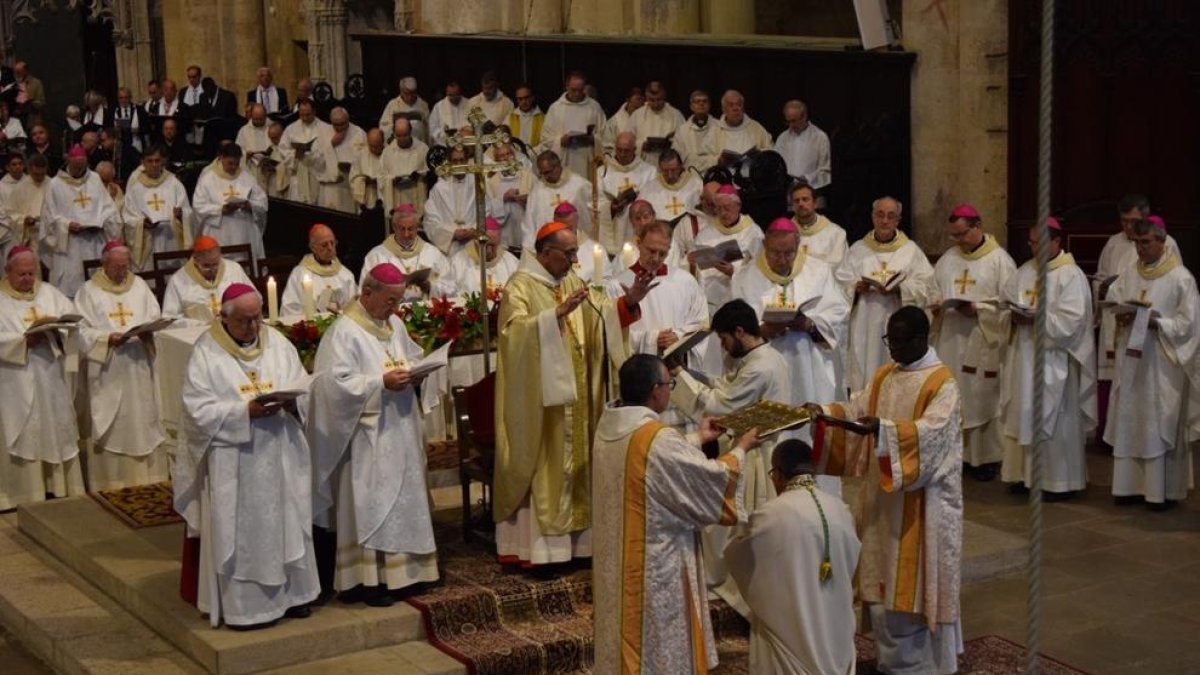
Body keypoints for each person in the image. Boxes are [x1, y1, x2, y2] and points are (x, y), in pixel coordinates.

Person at [805, 306, 963, 675]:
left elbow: (933, 436)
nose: (891, 348)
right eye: (888, 339)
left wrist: (884, 431)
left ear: (922, 340)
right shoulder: (885, 376)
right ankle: (892, 661)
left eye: (898, 341)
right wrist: (825, 410)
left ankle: (921, 666)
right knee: (881, 582)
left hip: (922, 503)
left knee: (912, 587)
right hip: (883, 497)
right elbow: (856, 407)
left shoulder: (943, 385)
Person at [493, 220, 653, 568]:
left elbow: (601, 316)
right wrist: (553, 317)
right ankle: (541, 551)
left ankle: (577, 546)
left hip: (580, 398)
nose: (573, 260)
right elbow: (511, 338)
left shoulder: (572, 281)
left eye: (574, 253)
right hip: (542, 403)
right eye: (567, 254)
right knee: (546, 460)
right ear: (545, 253)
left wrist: (629, 302)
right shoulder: (518, 288)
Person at [591, 353, 757, 674]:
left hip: (616, 559)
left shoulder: (610, 425)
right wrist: (741, 450)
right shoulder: (656, 438)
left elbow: (653, 460)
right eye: (669, 384)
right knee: (657, 650)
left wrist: (699, 438)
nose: (670, 390)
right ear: (656, 391)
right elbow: (709, 480)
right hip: (654, 564)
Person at [173, 283, 318, 629]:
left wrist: (294, 401)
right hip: (235, 461)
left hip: (279, 449)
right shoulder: (207, 353)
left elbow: (302, 384)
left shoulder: (278, 344)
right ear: (224, 318)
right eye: (245, 321)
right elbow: (196, 411)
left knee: (286, 521)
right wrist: (244, 412)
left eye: (258, 319)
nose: (254, 328)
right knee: (245, 532)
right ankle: (248, 609)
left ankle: (295, 596)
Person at [309, 263, 440, 607]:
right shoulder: (343, 332)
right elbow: (331, 385)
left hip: (400, 428)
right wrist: (378, 383)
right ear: (367, 293)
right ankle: (371, 579)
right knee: (373, 503)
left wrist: (419, 372)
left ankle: (409, 572)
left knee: (405, 498)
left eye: (398, 300)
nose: (395, 308)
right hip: (368, 436)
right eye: (390, 300)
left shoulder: (393, 324)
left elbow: (408, 356)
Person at [666, 299, 792, 612]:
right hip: (749, 449)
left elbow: (720, 405)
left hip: (754, 454)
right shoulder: (760, 357)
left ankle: (733, 588)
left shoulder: (761, 366)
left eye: (724, 340)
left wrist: (679, 375)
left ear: (739, 331)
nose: (723, 347)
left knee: (735, 525)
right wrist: (689, 371)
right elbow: (723, 385)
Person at [725, 439, 861, 675]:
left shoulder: (771, 514)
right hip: (835, 633)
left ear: (778, 473)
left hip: (792, 632)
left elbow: (739, 556)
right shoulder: (841, 509)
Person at [1103, 217, 1199, 510]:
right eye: (1136, 243)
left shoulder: (1181, 278)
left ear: (1162, 241)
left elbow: (1189, 325)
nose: (1140, 249)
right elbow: (1114, 301)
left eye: (1146, 243)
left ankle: (1160, 492)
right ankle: (1127, 487)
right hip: (1132, 362)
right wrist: (1119, 314)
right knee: (1129, 420)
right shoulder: (1129, 274)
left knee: (1158, 423)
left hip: (1161, 363)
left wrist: (1157, 322)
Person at [1000, 218, 1096, 499]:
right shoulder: (1024, 271)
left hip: (1054, 360)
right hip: (1023, 357)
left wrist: (1036, 318)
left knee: (1053, 418)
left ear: (1056, 242)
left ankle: (1056, 483)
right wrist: (1012, 316)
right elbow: (1005, 303)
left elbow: (1072, 322)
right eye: (1031, 243)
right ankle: (1022, 476)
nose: (1034, 249)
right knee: (1023, 413)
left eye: (1040, 243)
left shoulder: (1071, 275)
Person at [732, 218, 849, 440]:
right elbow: (736, 326)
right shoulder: (744, 277)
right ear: (765, 246)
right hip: (766, 364)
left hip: (808, 364)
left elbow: (839, 312)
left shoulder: (818, 271)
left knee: (808, 430)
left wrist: (808, 324)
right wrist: (763, 330)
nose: (783, 260)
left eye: (790, 253)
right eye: (776, 253)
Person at [75, 241, 169, 490]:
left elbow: (154, 315)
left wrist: (150, 332)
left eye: (126, 267)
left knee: (143, 417)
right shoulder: (88, 292)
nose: (123, 272)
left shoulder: (138, 286)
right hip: (109, 368)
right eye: (118, 267)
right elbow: (80, 332)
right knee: (115, 422)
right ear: (104, 264)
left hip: (138, 363)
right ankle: (112, 482)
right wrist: (107, 338)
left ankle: (150, 479)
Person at [931, 203, 1015, 481]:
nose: (958, 241)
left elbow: (1010, 307)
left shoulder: (1000, 261)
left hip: (982, 340)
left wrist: (979, 309)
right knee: (953, 396)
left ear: (978, 227)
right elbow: (932, 289)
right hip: (951, 339)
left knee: (981, 397)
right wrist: (935, 306)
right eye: (954, 235)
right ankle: (957, 455)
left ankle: (986, 458)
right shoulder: (948, 259)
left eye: (962, 234)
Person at [0, 246, 84, 510]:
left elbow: (75, 326)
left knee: (54, 427)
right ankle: (23, 494)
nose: (28, 279)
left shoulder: (49, 293)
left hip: (51, 375)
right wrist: (22, 341)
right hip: (16, 380)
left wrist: (59, 331)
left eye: (31, 273)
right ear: (7, 272)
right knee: (24, 431)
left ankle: (58, 487)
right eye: (22, 274)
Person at [1093, 194, 1180, 434]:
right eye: (1123, 221)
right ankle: (1110, 434)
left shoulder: (1166, 243)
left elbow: (1172, 288)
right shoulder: (1113, 243)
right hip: (1118, 321)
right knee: (1113, 375)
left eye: (1132, 221)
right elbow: (1100, 277)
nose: (1127, 228)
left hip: (1150, 327)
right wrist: (1104, 286)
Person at [606, 220, 707, 426]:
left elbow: (700, 321)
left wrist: (678, 336)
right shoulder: (618, 285)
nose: (656, 258)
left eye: (663, 253)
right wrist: (652, 340)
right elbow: (613, 334)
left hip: (676, 377)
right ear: (638, 243)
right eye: (651, 251)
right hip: (642, 384)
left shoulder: (685, 281)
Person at [836, 196, 936, 392]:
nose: (884, 221)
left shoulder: (910, 251)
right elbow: (840, 284)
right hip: (864, 323)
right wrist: (855, 289)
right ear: (872, 217)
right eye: (880, 215)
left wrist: (900, 288)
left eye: (891, 216)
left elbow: (927, 286)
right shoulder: (857, 250)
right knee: (866, 374)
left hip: (897, 321)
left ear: (898, 220)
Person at [39, 144, 118, 298]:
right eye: (76, 167)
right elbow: (48, 218)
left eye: (82, 167)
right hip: (70, 247)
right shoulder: (55, 184)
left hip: (94, 243)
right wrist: (66, 225)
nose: (79, 171)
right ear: (68, 162)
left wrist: (101, 222)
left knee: (97, 291)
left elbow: (110, 210)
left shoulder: (94, 179)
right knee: (70, 290)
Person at [691, 185, 763, 314]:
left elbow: (761, 268)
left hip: (741, 296)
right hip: (711, 298)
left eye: (727, 208)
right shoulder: (706, 233)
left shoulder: (753, 233)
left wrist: (734, 272)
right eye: (719, 209)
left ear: (738, 206)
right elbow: (697, 266)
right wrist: (692, 262)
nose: (723, 213)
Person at [122, 144, 193, 271]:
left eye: (157, 160)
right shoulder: (135, 188)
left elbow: (188, 211)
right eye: (150, 161)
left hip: (171, 239)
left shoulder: (174, 183)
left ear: (163, 162)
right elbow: (127, 218)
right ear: (143, 163)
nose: (154, 164)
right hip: (148, 240)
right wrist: (142, 223)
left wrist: (181, 214)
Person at [193, 143, 269, 260]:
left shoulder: (247, 177)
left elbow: (262, 202)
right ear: (221, 158)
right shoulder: (208, 179)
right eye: (230, 163)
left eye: (237, 163)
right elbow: (198, 206)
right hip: (219, 233)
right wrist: (221, 209)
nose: (234, 167)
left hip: (245, 233)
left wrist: (249, 205)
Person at [361, 204, 453, 299]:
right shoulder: (376, 256)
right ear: (394, 227)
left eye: (410, 229)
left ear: (417, 227)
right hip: (391, 312)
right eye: (402, 229)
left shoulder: (433, 254)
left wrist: (430, 287)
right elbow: (365, 291)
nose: (406, 234)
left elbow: (451, 288)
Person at [162, 236, 254, 321]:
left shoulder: (234, 269)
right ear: (195, 260)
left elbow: (254, 298)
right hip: (196, 334)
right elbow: (170, 318)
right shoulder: (178, 280)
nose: (212, 269)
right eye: (206, 266)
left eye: (215, 264)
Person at [597, 131, 656, 253]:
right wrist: (611, 207)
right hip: (614, 226)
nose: (622, 154)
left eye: (627, 150)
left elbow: (653, 200)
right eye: (619, 150)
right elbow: (597, 201)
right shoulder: (602, 172)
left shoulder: (649, 171)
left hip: (638, 226)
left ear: (634, 149)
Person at [520, 150, 593, 248]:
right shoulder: (537, 190)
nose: (545, 177)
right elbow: (529, 223)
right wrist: (532, 248)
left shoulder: (579, 185)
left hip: (574, 245)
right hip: (547, 248)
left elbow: (589, 218)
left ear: (558, 166)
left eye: (548, 172)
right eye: (542, 173)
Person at [281, 223, 357, 316]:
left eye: (332, 243)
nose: (330, 248)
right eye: (324, 245)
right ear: (313, 248)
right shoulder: (299, 274)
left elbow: (354, 308)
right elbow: (290, 308)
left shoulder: (345, 274)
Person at [541, 71, 607, 179]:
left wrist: (593, 140)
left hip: (587, 161)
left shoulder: (594, 107)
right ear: (566, 87)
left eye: (580, 90)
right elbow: (545, 138)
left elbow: (605, 135)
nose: (577, 93)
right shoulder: (556, 108)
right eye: (573, 90)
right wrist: (560, 141)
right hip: (565, 160)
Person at [425, 145, 479, 256]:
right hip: (449, 249)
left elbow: (487, 215)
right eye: (455, 161)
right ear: (449, 162)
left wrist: (474, 230)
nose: (458, 164)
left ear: (467, 161)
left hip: (473, 244)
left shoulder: (478, 186)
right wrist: (452, 233)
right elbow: (430, 221)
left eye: (461, 160)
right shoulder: (439, 189)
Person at [447, 216, 519, 296]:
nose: (489, 251)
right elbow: (447, 293)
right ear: (476, 240)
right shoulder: (458, 262)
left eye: (493, 246)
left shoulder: (511, 262)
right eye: (486, 246)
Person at [279, 99, 331, 203]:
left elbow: (329, 153)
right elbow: (283, 149)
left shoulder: (326, 129)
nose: (305, 117)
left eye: (308, 114)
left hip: (317, 175)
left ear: (314, 112)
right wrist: (295, 154)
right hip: (298, 175)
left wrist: (311, 157)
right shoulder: (291, 129)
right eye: (301, 114)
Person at [484, 142, 533, 250]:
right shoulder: (491, 181)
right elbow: (487, 210)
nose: (506, 158)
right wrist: (504, 198)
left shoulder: (528, 177)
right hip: (503, 233)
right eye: (502, 156)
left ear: (514, 156)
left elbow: (539, 202)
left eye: (508, 154)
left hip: (525, 229)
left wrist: (528, 200)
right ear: (496, 161)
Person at [774, 100, 832, 190]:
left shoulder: (820, 137)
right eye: (788, 121)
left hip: (813, 191)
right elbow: (777, 164)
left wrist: (806, 179)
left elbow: (825, 169)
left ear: (804, 117)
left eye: (794, 121)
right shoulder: (782, 138)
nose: (790, 125)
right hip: (788, 191)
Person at [317, 107, 365, 213]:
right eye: (336, 124)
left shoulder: (359, 133)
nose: (339, 127)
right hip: (331, 186)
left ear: (348, 120)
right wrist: (331, 144)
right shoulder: (323, 132)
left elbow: (366, 157)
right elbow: (315, 159)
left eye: (342, 124)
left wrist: (353, 167)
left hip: (350, 185)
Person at [380, 118, 429, 218]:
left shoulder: (422, 149)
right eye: (399, 136)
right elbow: (381, 176)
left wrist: (419, 175)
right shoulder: (387, 152)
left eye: (405, 135)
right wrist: (391, 181)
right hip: (397, 197)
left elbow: (429, 172)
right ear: (394, 133)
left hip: (416, 196)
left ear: (410, 131)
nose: (402, 139)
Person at [705, 90, 772, 163]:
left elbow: (770, 148)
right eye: (731, 105)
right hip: (724, 173)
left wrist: (759, 154)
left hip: (752, 173)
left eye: (739, 104)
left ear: (743, 107)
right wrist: (718, 160)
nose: (735, 108)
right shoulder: (715, 130)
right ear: (723, 109)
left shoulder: (755, 127)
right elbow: (704, 158)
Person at [629, 80, 685, 165]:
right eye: (651, 100)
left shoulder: (675, 115)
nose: (655, 104)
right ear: (646, 98)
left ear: (664, 97)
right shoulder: (637, 115)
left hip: (668, 165)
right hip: (643, 163)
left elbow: (684, 141)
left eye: (659, 100)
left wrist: (670, 145)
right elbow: (627, 140)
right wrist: (642, 145)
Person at [790, 182, 846, 266]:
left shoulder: (836, 233)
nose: (800, 204)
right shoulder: (783, 233)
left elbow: (838, 267)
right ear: (792, 206)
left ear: (815, 203)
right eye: (796, 201)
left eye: (805, 199)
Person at [237, 104, 285, 196]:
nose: (258, 121)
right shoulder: (244, 131)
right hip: (253, 171)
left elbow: (282, 146)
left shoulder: (273, 127)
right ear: (251, 116)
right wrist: (246, 155)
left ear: (265, 116)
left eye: (260, 119)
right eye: (255, 119)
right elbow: (237, 152)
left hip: (271, 172)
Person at [8, 153, 49, 253]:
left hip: (49, 237)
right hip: (30, 237)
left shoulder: (54, 185)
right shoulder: (19, 188)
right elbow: (11, 214)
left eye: (42, 174)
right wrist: (24, 220)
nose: (39, 177)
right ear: (29, 170)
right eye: (36, 174)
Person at [378, 76, 429, 144]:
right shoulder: (392, 105)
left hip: (418, 145)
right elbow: (384, 126)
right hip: (398, 145)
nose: (410, 97)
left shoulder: (423, 105)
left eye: (412, 93)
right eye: (406, 93)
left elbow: (428, 127)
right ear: (401, 91)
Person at [674, 90, 716, 172]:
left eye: (705, 101)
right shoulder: (682, 130)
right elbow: (678, 156)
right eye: (697, 101)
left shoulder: (719, 127)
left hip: (713, 173)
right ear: (691, 106)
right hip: (690, 174)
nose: (701, 104)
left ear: (709, 105)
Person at [0, 152, 26, 260]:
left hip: (30, 230)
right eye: (14, 164)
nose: (18, 167)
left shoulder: (30, 182)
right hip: (10, 232)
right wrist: (17, 221)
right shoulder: (1, 186)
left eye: (20, 164)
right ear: (7, 167)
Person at [428, 81, 469, 147]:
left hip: (464, 145)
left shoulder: (470, 104)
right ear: (446, 93)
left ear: (460, 92)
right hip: (445, 145)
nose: (453, 98)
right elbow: (433, 128)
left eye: (456, 95)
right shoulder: (439, 107)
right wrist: (443, 134)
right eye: (451, 95)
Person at [604, 87, 644, 153]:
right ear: (628, 101)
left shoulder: (647, 118)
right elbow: (608, 146)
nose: (637, 112)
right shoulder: (614, 122)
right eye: (635, 107)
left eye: (640, 108)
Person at [506, 84, 544, 149]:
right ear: (517, 100)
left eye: (526, 98)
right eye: (520, 99)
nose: (524, 102)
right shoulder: (510, 118)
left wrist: (531, 153)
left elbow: (545, 142)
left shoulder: (542, 118)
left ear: (532, 97)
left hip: (535, 156)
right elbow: (504, 140)